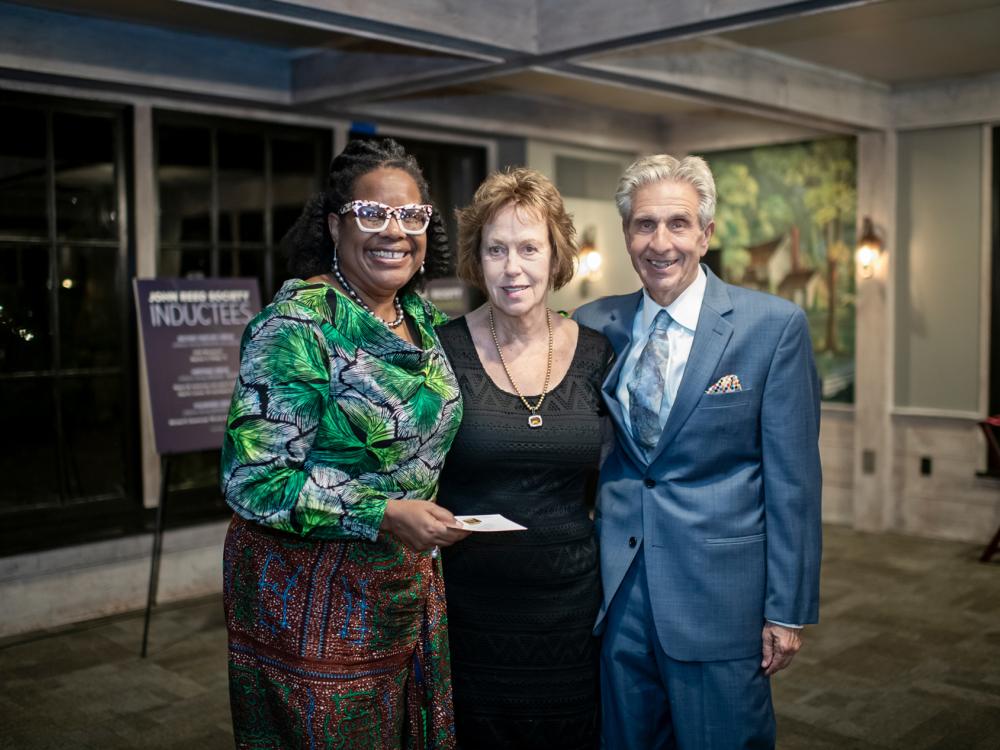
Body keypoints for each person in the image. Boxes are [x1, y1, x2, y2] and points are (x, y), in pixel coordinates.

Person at [219, 137, 471, 750]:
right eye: (371, 213)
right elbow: (252, 480)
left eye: (411, 216)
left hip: (404, 591)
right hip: (312, 606)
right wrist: (382, 512)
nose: (394, 231)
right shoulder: (298, 326)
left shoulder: (422, 318)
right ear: (335, 224)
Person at [574, 154, 822, 749]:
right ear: (626, 233)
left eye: (678, 224)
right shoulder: (593, 324)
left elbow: (793, 482)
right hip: (620, 593)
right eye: (644, 224)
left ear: (706, 234)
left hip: (719, 597)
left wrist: (786, 609)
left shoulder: (772, 327)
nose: (660, 243)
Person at [436, 167, 612, 749]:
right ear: (476, 258)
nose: (513, 268)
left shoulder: (596, 353)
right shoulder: (441, 349)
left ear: (558, 254)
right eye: (496, 249)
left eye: (530, 248)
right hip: (472, 609)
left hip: (571, 607)